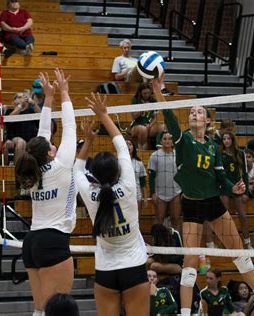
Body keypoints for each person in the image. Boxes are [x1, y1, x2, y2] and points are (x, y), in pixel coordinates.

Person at [150, 76, 254, 316]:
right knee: (190, 265)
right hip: (192, 207)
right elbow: (170, 118)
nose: (194, 114)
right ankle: (185, 314)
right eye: (192, 112)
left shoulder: (214, 146)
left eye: (199, 112)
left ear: (208, 119)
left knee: (240, 256)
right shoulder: (183, 139)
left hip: (214, 203)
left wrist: (231, 188)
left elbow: (221, 176)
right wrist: (158, 92)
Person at [73, 93, 150, 316]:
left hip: (105, 270)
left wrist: (88, 140)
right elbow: (123, 148)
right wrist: (104, 115)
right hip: (134, 267)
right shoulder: (127, 185)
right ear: (117, 171)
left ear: (94, 176)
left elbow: (77, 168)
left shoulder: (89, 192)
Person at [15, 69, 77, 316]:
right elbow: (70, 128)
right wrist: (64, 92)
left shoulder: (33, 171)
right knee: (57, 311)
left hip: (31, 243)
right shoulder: (61, 166)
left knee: (40, 311)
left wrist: (49, 99)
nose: (54, 144)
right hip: (53, 240)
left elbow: (42, 135)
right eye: (52, 145)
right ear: (51, 152)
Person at [220, 130, 252, 249]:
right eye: (224, 139)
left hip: (238, 187)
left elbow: (245, 173)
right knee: (225, 217)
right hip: (224, 188)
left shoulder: (240, 153)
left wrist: (246, 191)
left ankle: (248, 243)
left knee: (243, 216)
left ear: (232, 140)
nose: (226, 141)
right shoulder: (220, 153)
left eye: (228, 139)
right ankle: (227, 244)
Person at [148, 131, 182, 229]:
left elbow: (183, 174)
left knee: (175, 219)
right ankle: (157, 242)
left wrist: (183, 192)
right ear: (161, 141)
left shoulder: (178, 155)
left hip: (175, 192)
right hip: (160, 193)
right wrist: (153, 193)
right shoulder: (155, 156)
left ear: (173, 141)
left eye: (169, 138)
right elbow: (151, 176)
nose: (167, 141)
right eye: (164, 139)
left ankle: (176, 243)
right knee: (159, 219)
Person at [5, 92, 39, 162]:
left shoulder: (31, 111)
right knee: (21, 142)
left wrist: (33, 103)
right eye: (19, 97)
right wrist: (20, 105)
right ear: (14, 101)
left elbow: (41, 116)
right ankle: (18, 169)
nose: (23, 99)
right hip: (15, 138)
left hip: (31, 139)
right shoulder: (9, 111)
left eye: (24, 97)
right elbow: (10, 119)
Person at [130, 82, 164, 150]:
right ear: (140, 93)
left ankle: (160, 149)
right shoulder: (135, 100)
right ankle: (142, 151)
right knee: (143, 129)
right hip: (136, 126)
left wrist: (150, 125)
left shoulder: (153, 101)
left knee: (164, 127)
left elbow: (155, 117)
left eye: (148, 93)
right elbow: (134, 116)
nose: (147, 95)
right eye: (144, 93)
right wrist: (143, 108)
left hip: (149, 126)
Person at [126, 139, 147, 213]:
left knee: (136, 220)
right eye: (125, 144)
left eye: (130, 144)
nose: (128, 146)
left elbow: (142, 181)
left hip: (136, 195)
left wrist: (145, 198)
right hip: (123, 196)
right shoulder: (118, 162)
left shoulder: (139, 162)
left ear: (133, 147)